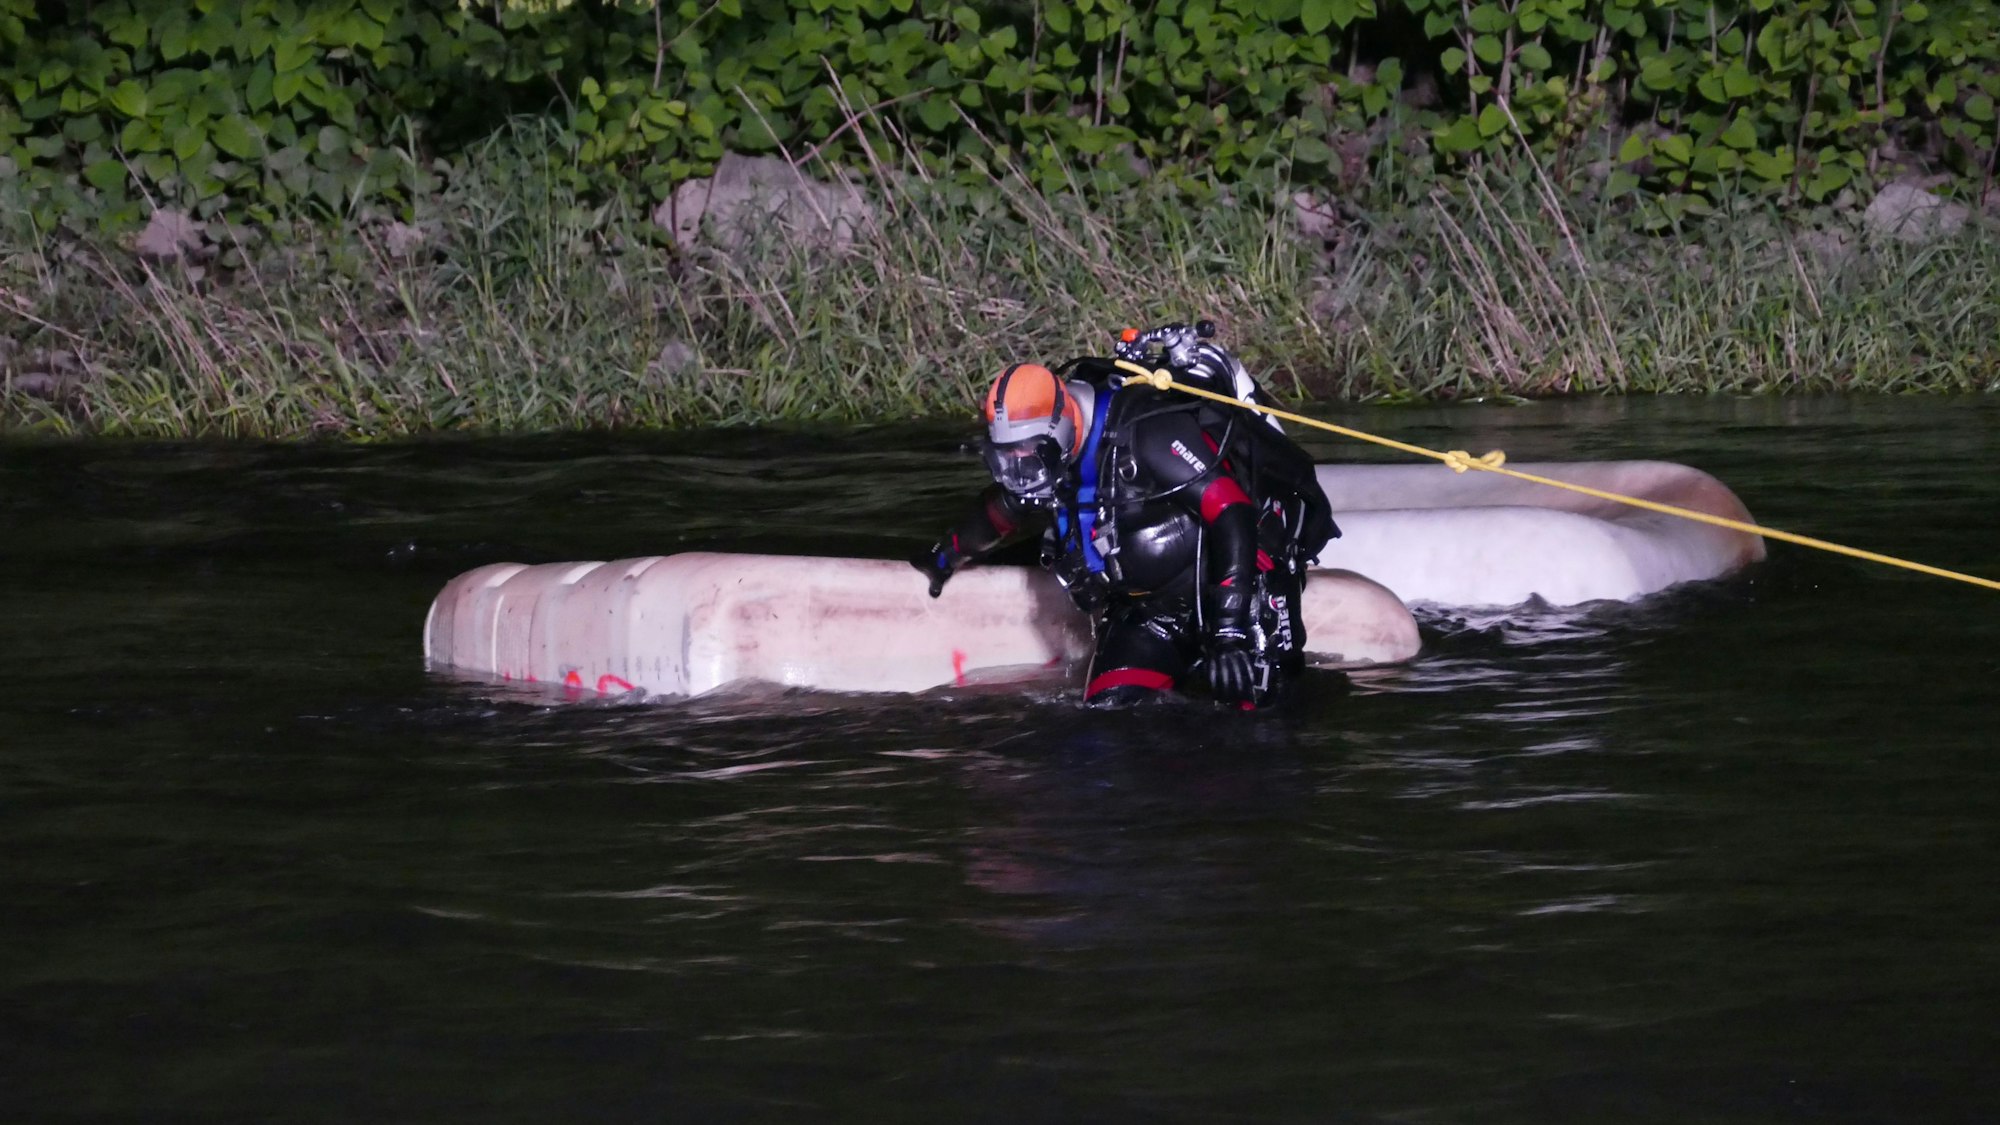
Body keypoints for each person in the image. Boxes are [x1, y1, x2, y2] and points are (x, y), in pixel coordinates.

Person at [911, 321, 1338, 707]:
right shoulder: (1041, 464)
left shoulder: (1148, 431)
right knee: (1108, 723)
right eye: (1004, 459)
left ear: (1060, 430)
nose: (1017, 472)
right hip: (1149, 614)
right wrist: (942, 558)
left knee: (1257, 728)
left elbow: (1232, 512)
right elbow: (1001, 510)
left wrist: (1228, 633)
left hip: (1241, 598)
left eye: (1024, 458)